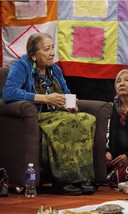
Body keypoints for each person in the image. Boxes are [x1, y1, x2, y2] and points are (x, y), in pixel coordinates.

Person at [2, 33, 96, 195]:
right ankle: (62, 180)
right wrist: (45, 98)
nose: (52, 52)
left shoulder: (55, 70)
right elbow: (9, 93)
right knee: (68, 123)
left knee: (87, 119)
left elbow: (66, 93)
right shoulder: (21, 66)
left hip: (59, 115)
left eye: (53, 48)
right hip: (37, 117)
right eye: (47, 49)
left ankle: (81, 178)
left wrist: (71, 106)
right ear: (33, 55)